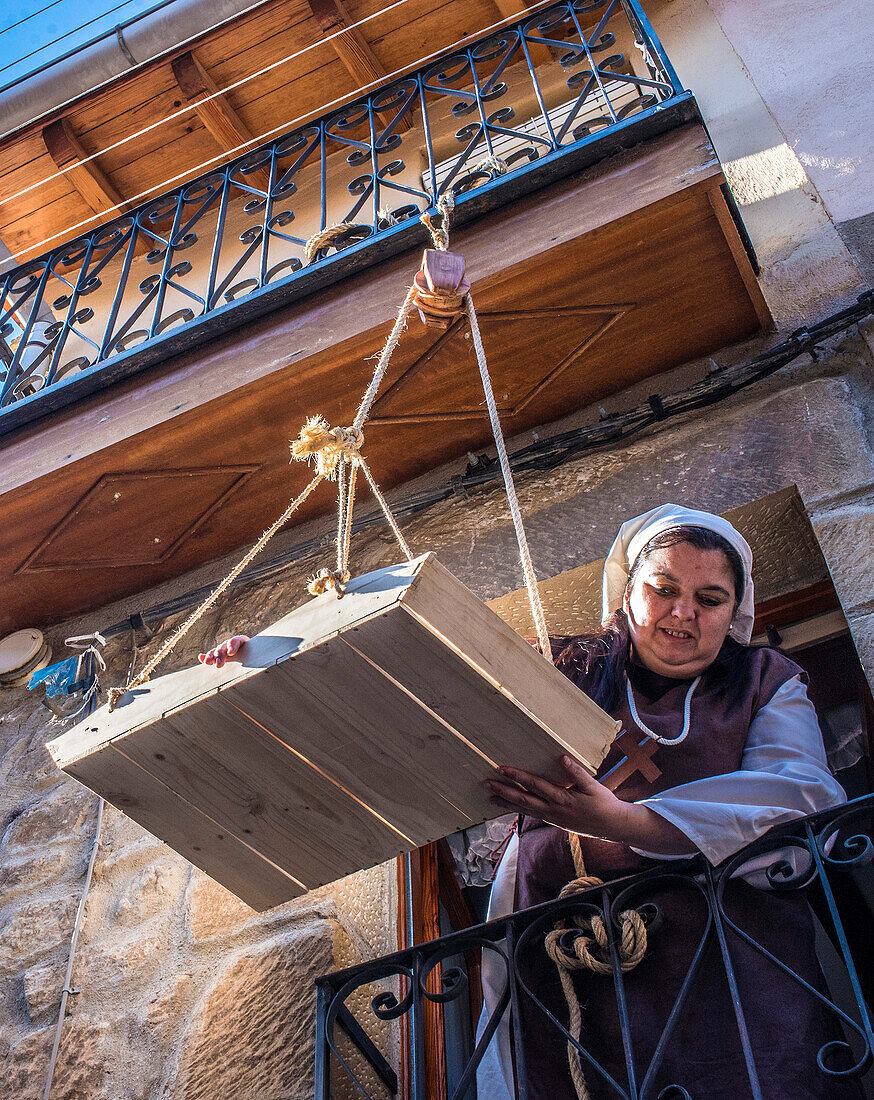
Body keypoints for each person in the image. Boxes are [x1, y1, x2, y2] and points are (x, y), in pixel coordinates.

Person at [477, 504, 855, 1100]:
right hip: (568, 954)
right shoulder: (561, 668)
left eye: (710, 598)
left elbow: (800, 795)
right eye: (664, 589)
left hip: (731, 961)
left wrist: (624, 821)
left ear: (734, 612)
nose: (684, 612)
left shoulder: (764, 679)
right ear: (628, 594)